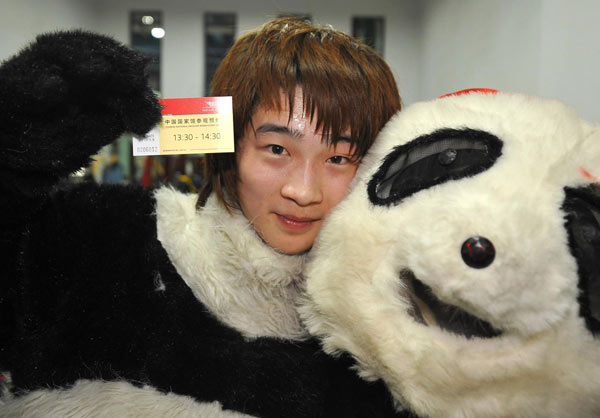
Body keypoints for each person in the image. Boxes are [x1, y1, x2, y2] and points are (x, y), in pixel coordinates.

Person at [0, 18, 402, 418]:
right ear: (229, 146)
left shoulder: (388, 328)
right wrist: (16, 154)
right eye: (277, 149)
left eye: (338, 159)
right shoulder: (99, 243)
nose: (303, 191)